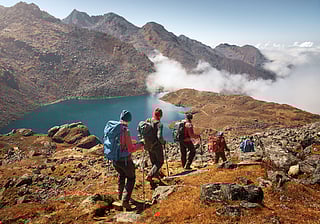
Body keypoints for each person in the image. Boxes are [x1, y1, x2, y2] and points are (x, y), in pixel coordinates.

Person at [110, 110, 142, 210]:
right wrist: (140, 145)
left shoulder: (114, 128)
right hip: (125, 161)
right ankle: (125, 200)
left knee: (122, 175)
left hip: (115, 160)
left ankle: (120, 196)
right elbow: (130, 149)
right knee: (131, 178)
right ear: (129, 120)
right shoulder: (125, 131)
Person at [140, 108, 166, 186]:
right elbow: (159, 136)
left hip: (148, 145)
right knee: (160, 161)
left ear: (153, 114)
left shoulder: (148, 121)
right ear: (160, 116)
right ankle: (150, 175)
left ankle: (155, 175)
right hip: (156, 146)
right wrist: (163, 142)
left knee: (154, 162)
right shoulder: (159, 124)